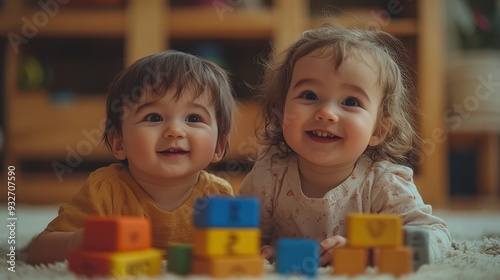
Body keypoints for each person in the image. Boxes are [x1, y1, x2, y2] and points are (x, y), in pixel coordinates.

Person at [239, 23, 452, 267]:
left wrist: (373, 251)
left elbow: (435, 235)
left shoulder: (383, 182)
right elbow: (241, 232)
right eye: (309, 95)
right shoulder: (270, 172)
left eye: (351, 101)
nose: (326, 113)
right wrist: (259, 249)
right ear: (280, 111)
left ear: (378, 130)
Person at [28, 50, 236, 265]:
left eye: (194, 118)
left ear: (219, 146)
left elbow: (240, 247)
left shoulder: (218, 195)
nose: (175, 130)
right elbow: (39, 249)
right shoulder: (105, 189)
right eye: (154, 117)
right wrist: (77, 241)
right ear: (119, 143)